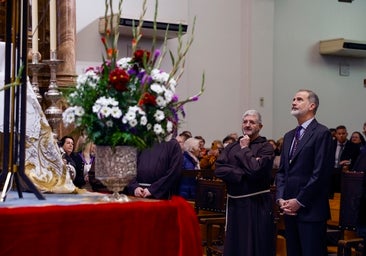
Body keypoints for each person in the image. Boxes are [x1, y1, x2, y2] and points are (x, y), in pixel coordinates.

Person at [275, 89, 334, 256]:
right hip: (289, 210)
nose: (294, 102)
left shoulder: (322, 133)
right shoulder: (288, 136)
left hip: (311, 210)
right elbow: (282, 172)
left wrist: (299, 201)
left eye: (299, 99)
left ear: (312, 106)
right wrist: (281, 198)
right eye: (293, 99)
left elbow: (320, 173)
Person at [215, 109, 275, 256]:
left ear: (260, 126)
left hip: (256, 203)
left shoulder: (265, 147)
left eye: (252, 122)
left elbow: (255, 170)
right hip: (235, 204)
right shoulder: (231, 146)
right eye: (245, 121)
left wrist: (244, 149)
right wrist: (241, 173)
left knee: (254, 245)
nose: (247, 125)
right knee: (236, 244)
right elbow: (218, 169)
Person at [330, 125, 360, 196]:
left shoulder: (354, 146)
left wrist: (349, 163)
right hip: (331, 174)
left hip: (345, 175)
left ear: (347, 134)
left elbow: (356, 162)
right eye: (339, 134)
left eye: (343, 133)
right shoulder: (330, 144)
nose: (341, 136)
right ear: (336, 134)